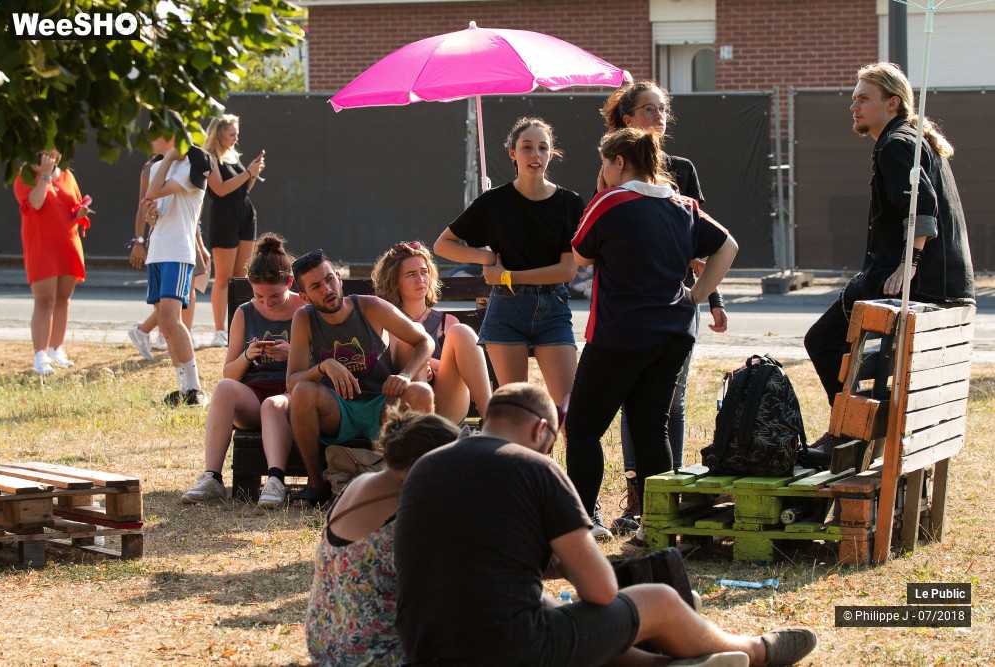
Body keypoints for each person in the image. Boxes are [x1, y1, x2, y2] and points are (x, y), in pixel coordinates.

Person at [395, 382, 816, 667]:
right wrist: (571, 561)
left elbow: (463, 565)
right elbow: (601, 591)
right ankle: (758, 651)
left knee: (548, 607)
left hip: (424, 649)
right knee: (659, 601)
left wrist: (540, 565)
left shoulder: (426, 468)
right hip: (510, 651)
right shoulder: (535, 468)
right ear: (542, 429)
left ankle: (667, 664)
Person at [567, 128, 738, 552]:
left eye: (603, 164)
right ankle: (656, 531)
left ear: (618, 162)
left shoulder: (609, 201)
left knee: (584, 427)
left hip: (621, 333)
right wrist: (696, 297)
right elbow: (728, 245)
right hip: (673, 333)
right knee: (651, 428)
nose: (602, 172)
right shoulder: (683, 204)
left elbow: (581, 256)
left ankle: (581, 527)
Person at [804, 62, 975, 460]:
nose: (854, 106)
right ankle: (855, 431)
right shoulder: (913, 139)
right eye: (853, 98)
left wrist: (909, 263)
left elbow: (923, 207)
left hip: (919, 282)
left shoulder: (896, 143)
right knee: (864, 355)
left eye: (864, 98)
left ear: (892, 103)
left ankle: (851, 433)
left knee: (823, 339)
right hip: (943, 283)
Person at [600, 80, 729, 536]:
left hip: (677, 304)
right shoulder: (612, 168)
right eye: (648, 110)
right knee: (634, 401)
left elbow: (707, 238)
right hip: (628, 306)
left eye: (662, 110)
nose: (658, 118)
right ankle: (638, 495)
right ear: (626, 119)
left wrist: (709, 297)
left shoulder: (682, 169)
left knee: (670, 399)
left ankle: (666, 492)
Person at [433, 116, 583, 412]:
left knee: (570, 409)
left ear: (551, 154)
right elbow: (443, 245)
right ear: (512, 153)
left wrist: (507, 276)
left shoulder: (570, 203)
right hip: (507, 311)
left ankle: (558, 457)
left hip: (553, 307)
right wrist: (486, 258)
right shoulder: (494, 202)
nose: (535, 155)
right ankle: (523, 460)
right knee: (518, 408)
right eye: (527, 147)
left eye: (542, 148)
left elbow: (567, 270)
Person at [306, 409, 460, 667]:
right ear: (425, 464)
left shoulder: (358, 484)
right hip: (373, 656)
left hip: (326, 644)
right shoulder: (409, 511)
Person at [286, 250, 435, 508]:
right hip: (338, 410)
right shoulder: (304, 319)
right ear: (304, 297)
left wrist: (405, 374)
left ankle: (418, 482)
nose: (327, 289)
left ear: (340, 279)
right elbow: (292, 381)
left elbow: (425, 341)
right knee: (302, 392)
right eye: (316, 286)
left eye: (330, 279)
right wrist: (324, 367)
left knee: (421, 393)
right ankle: (315, 484)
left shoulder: (370, 307)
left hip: (381, 405)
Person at [180, 233, 305, 507]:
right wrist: (248, 355)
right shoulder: (245, 312)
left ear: (290, 283)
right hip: (255, 396)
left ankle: (274, 481)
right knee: (224, 388)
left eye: (275, 296)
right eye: (259, 295)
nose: (267, 302)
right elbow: (230, 373)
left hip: (292, 395)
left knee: (273, 405)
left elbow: (320, 361)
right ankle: (212, 477)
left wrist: (290, 352)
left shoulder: (304, 308)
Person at [371, 241, 491, 422]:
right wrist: (421, 365)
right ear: (394, 281)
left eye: (424, 272)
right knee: (413, 335)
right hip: (405, 407)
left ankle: (492, 420)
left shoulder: (448, 323)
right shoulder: (388, 323)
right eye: (411, 274)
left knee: (462, 331)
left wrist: (433, 368)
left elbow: (468, 388)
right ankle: (422, 433)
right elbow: (385, 371)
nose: (420, 279)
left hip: (446, 408)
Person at [142, 109, 212, 406]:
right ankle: (184, 388)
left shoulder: (186, 167)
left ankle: (195, 389)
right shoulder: (165, 166)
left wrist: (170, 156)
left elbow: (153, 190)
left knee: (170, 319)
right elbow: (151, 201)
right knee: (166, 323)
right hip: (158, 250)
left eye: (153, 132)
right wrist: (150, 214)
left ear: (170, 135)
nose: (149, 139)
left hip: (177, 251)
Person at [14, 149, 92, 375]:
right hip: (41, 246)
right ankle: (40, 355)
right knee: (44, 300)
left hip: (68, 244)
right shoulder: (27, 174)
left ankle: (57, 349)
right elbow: (35, 204)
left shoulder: (67, 175)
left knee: (62, 299)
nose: (54, 153)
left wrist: (81, 212)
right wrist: (46, 176)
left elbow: (74, 206)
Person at [128, 154, 209, 359]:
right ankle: (152, 333)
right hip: (164, 245)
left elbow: (190, 212)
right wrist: (138, 240)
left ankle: (173, 339)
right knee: (171, 310)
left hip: (183, 241)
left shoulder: (190, 164)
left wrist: (199, 244)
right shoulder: (152, 168)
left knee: (182, 299)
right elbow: (146, 207)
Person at [202, 114, 266, 348]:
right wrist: (247, 173)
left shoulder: (233, 155)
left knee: (242, 274)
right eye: (231, 134)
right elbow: (219, 189)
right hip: (224, 216)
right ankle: (220, 330)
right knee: (223, 277)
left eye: (236, 133)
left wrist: (253, 173)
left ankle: (239, 328)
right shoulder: (209, 157)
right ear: (218, 133)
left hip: (245, 213)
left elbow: (242, 188)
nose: (235, 138)